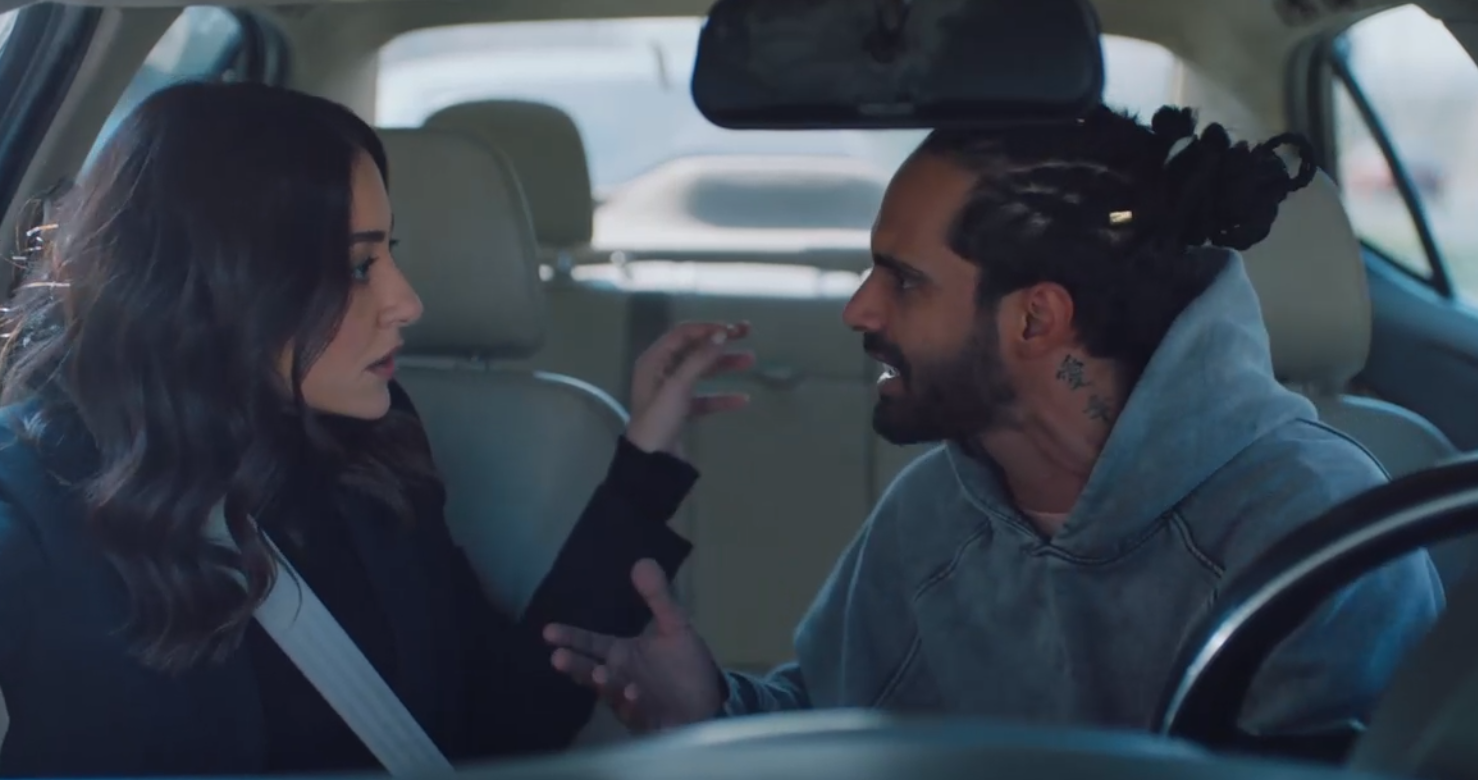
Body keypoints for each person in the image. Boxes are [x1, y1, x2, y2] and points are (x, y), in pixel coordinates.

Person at [544, 105, 1446, 736]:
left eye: (904, 280)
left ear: (1035, 319)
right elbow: (835, 730)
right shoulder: (936, 513)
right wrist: (712, 709)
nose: (858, 310)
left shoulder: (1312, 534)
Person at [0, 81, 754, 776]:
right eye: (358, 267)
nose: (408, 302)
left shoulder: (366, 449)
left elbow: (495, 721)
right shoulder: (26, 511)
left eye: (389, 253)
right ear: (223, 282)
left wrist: (645, 465)